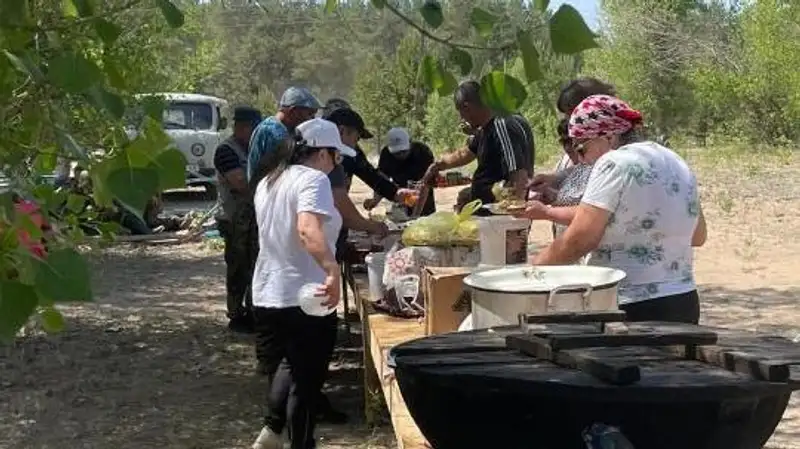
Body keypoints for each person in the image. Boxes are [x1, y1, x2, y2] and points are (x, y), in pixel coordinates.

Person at [524, 95, 708, 324]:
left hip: (630, 305)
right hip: (683, 301)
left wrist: (533, 272)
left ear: (608, 136)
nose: (581, 160)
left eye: (582, 148)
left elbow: (580, 239)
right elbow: (698, 235)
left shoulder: (613, 163)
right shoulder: (675, 160)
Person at [250, 118, 356, 449]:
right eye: (336, 157)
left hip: (269, 292)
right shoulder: (312, 180)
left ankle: (271, 432)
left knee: (290, 365)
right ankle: (301, 443)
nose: (336, 164)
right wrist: (331, 270)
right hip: (305, 295)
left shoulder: (270, 180)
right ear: (321, 153)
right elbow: (307, 229)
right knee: (307, 382)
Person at [422, 80, 534, 210]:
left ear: (467, 107)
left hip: (500, 216)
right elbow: (465, 154)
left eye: (461, 113)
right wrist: (438, 165)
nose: (462, 120)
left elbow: (519, 175)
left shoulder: (502, 124)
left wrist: (514, 218)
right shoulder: (487, 127)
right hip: (490, 212)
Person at [213, 105, 262, 333]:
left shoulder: (252, 149)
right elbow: (240, 183)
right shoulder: (226, 151)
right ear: (242, 127)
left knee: (255, 266)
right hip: (234, 220)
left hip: (253, 219)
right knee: (238, 267)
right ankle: (235, 312)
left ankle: (253, 311)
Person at [363, 127, 436, 216]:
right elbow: (382, 181)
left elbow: (425, 185)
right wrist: (375, 201)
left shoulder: (423, 152)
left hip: (423, 201)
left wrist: (415, 216)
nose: (400, 155)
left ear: (410, 143)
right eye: (396, 153)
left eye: (403, 151)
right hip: (400, 200)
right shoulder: (386, 154)